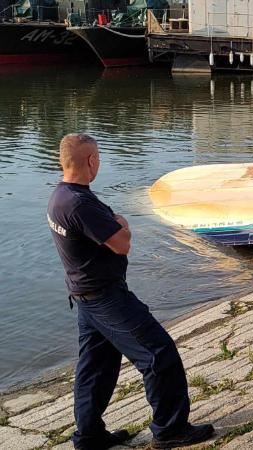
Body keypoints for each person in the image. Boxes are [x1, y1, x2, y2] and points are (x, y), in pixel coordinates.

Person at [47, 133, 214, 450]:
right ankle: (170, 430)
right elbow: (121, 244)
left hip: (85, 297)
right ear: (92, 160)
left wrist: (114, 224)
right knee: (158, 355)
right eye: (99, 158)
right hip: (105, 298)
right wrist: (123, 223)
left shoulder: (60, 197)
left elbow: (106, 234)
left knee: (95, 370)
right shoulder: (79, 203)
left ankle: (89, 436)